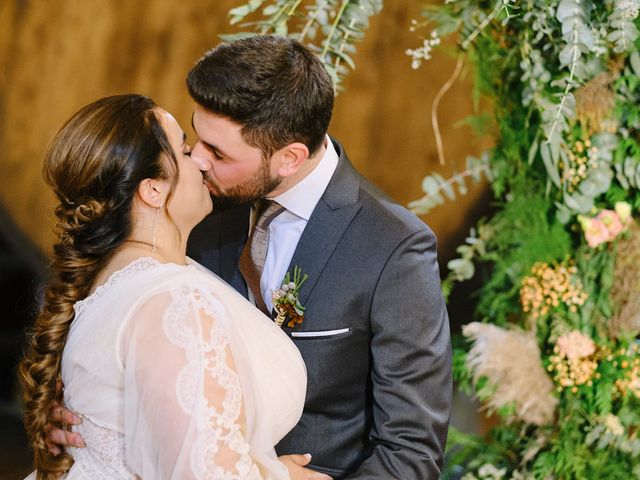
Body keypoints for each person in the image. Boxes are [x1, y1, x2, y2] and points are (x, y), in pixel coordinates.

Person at [48, 35, 453, 478]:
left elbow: (411, 450)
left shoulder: (392, 246)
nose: (199, 160)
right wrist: (96, 412)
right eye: (195, 137)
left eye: (219, 152)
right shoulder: (190, 209)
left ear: (289, 158)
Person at [19, 94, 308, 479]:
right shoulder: (173, 299)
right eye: (186, 151)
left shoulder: (112, 280)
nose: (202, 161)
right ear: (152, 190)